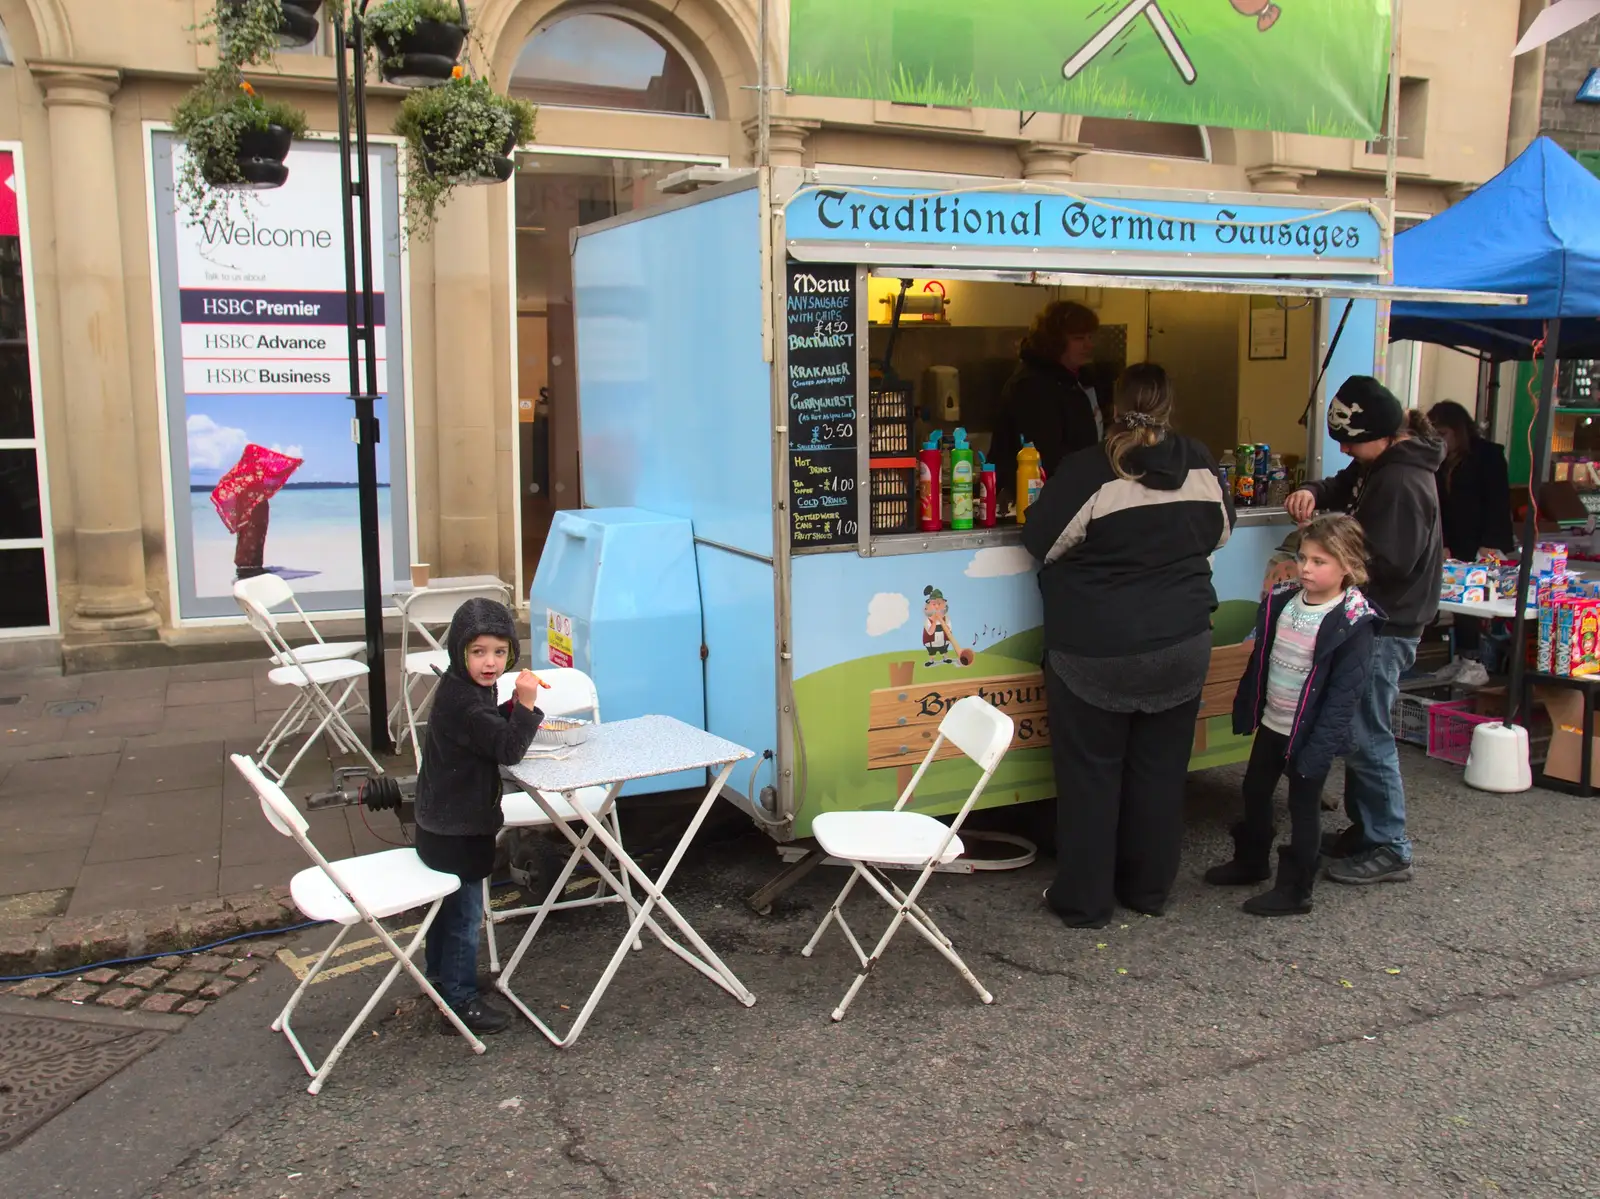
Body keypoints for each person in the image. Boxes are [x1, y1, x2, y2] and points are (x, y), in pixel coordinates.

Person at [1023, 362, 1234, 928]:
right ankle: (1148, 890)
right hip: (1183, 641)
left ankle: (1086, 901)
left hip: (1096, 647)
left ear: (1111, 407)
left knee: (1091, 776)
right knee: (1161, 773)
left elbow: (1039, 541)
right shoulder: (1201, 461)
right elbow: (1219, 532)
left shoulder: (1090, 469)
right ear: (1170, 406)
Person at [1285, 375, 1444, 885]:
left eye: (1352, 441)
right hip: (1374, 616)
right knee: (1357, 729)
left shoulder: (1402, 481)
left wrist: (1333, 564)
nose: (1346, 449)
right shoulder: (1378, 462)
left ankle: (1391, 844)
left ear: (1384, 433)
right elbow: (1342, 482)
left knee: (1364, 730)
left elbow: (1391, 561)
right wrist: (1313, 490)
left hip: (1388, 620)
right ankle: (1367, 827)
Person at [1206, 514, 1378, 916]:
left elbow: (1344, 695)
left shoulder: (1353, 622)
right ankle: (1252, 860)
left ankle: (1296, 889)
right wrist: (1249, 707)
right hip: (1273, 721)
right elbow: (1262, 660)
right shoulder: (1283, 601)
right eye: (1303, 558)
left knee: (1303, 808)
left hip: (1311, 733)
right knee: (1254, 790)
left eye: (1320, 562)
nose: (1306, 568)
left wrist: (1320, 748)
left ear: (1348, 566)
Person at [413, 597, 547, 1035]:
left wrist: (509, 708)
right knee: (465, 916)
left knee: (446, 911)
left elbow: (488, 732)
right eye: (478, 652)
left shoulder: (463, 689)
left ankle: (442, 979)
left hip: (441, 819)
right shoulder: (466, 703)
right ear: (458, 652)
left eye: (500, 651)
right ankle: (459, 1000)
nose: (491, 663)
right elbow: (508, 750)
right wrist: (524, 707)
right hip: (459, 828)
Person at [1428, 399, 1515, 685]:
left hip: (1483, 541)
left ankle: (1477, 660)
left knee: (1480, 602)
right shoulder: (1439, 463)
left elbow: (1498, 502)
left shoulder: (1487, 456)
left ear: (1459, 430)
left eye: (1443, 434)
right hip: (1456, 540)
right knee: (1458, 600)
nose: (1439, 441)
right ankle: (1465, 656)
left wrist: (1490, 543)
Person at [989, 300, 1103, 493]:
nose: (1088, 345)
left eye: (1090, 337)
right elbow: (1047, 456)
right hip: (1033, 498)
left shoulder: (1079, 381)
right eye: (1079, 338)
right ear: (1056, 343)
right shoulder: (1034, 386)